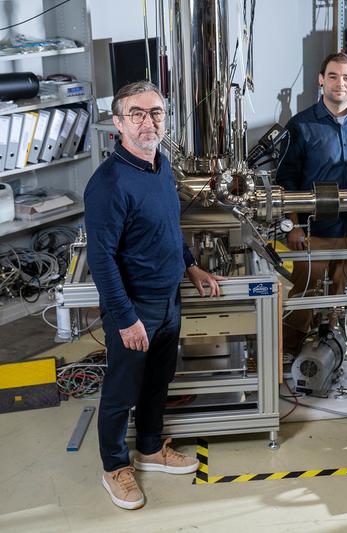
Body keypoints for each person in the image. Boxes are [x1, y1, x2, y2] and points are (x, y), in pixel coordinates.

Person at [84, 80, 224, 510]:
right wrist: (125, 318)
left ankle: (149, 447)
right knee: (122, 390)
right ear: (118, 122)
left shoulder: (160, 165)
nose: (149, 122)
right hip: (135, 305)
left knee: (158, 382)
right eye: (137, 114)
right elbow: (102, 259)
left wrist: (190, 265)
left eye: (156, 113)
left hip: (169, 299)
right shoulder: (109, 184)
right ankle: (114, 468)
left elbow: (167, 226)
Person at [276, 52, 347, 354]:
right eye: (333, 76)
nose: (340, 83)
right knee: (305, 299)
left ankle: (333, 353)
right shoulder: (301, 125)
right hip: (315, 232)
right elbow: (287, 181)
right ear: (321, 80)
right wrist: (294, 226)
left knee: (343, 297)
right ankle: (291, 354)